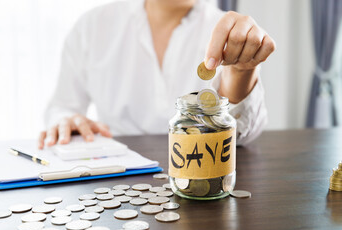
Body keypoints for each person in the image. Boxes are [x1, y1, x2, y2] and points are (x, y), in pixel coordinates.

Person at [38, 0, 275, 149]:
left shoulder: (230, 33)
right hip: (115, 177)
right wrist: (66, 120)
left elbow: (242, 136)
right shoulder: (91, 26)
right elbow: (62, 107)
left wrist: (242, 71)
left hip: (200, 172)